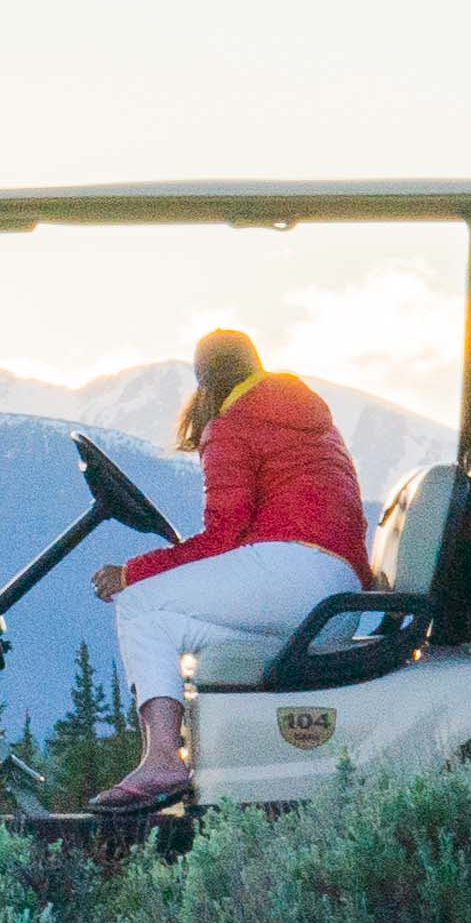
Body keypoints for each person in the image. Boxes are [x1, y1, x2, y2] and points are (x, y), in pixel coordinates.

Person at [86, 329, 369, 809]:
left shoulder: (233, 424)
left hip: (291, 575)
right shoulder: (310, 416)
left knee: (136, 601)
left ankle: (162, 761)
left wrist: (133, 572)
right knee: (160, 626)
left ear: (203, 381)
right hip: (340, 598)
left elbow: (223, 537)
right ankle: (187, 758)